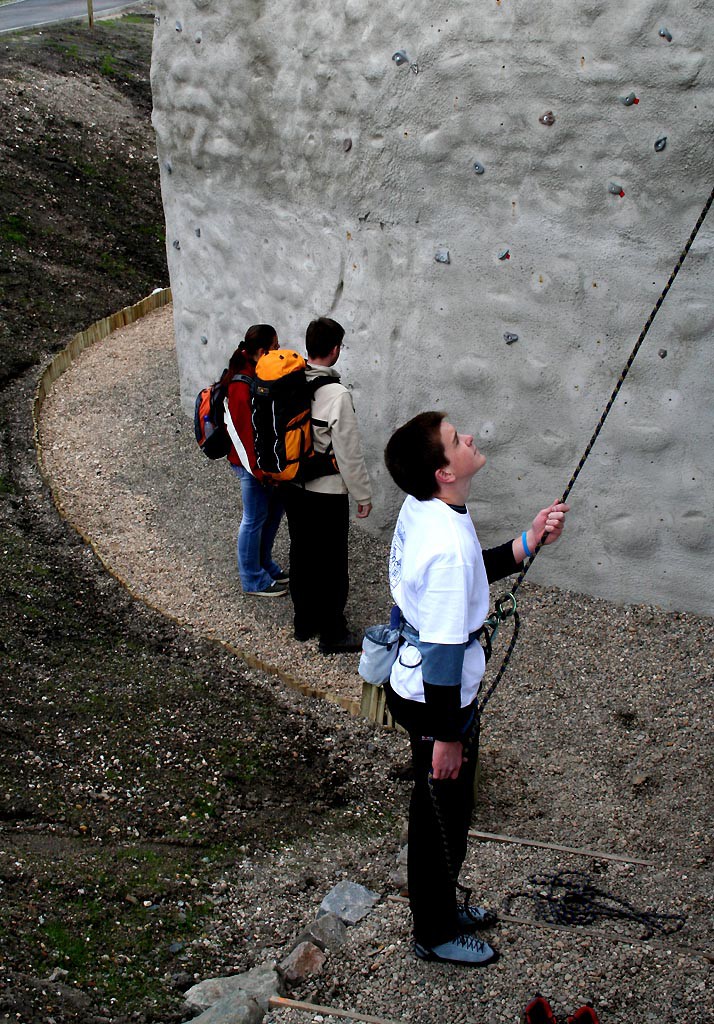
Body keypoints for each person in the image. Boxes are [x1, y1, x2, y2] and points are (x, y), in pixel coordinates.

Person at [383, 411, 569, 967]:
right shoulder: (445, 546)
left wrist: (525, 543)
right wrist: (447, 737)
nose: (468, 438)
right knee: (443, 816)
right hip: (436, 699)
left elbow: (468, 572)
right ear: (443, 471)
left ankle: (440, 909)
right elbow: (443, 653)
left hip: (423, 685)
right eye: (455, 439)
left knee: (444, 810)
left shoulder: (431, 508)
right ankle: (435, 932)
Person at [282, 316, 372, 654]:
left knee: (302, 552)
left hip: (293, 486)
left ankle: (304, 623)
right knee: (332, 562)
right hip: (327, 494)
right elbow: (349, 454)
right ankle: (333, 632)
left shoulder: (291, 382)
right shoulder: (337, 395)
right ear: (335, 351)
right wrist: (363, 494)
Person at [224, 324, 288, 597]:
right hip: (251, 465)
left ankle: (264, 565)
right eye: (274, 347)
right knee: (253, 519)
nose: (278, 351)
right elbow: (243, 434)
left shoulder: (255, 374)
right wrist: (259, 470)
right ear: (261, 351)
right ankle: (252, 578)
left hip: (261, 463)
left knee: (271, 514)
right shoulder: (241, 384)